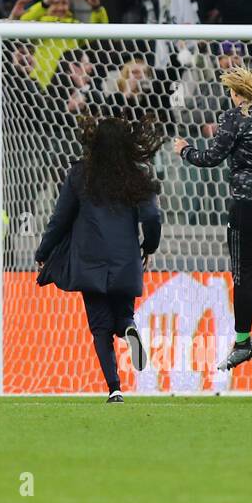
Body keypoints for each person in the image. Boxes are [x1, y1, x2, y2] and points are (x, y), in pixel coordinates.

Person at [172, 63, 252, 372]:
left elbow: (211, 158)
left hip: (248, 204)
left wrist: (184, 150)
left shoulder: (233, 118)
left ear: (234, 92)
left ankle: (243, 343)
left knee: (243, 272)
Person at [35, 115, 160, 401]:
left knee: (100, 327)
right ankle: (128, 328)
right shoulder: (137, 175)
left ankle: (114, 388)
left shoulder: (80, 174)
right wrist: (148, 247)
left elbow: (60, 219)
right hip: (125, 259)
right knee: (123, 314)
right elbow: (152, 216)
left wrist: (43, 252)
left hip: (89, 260)